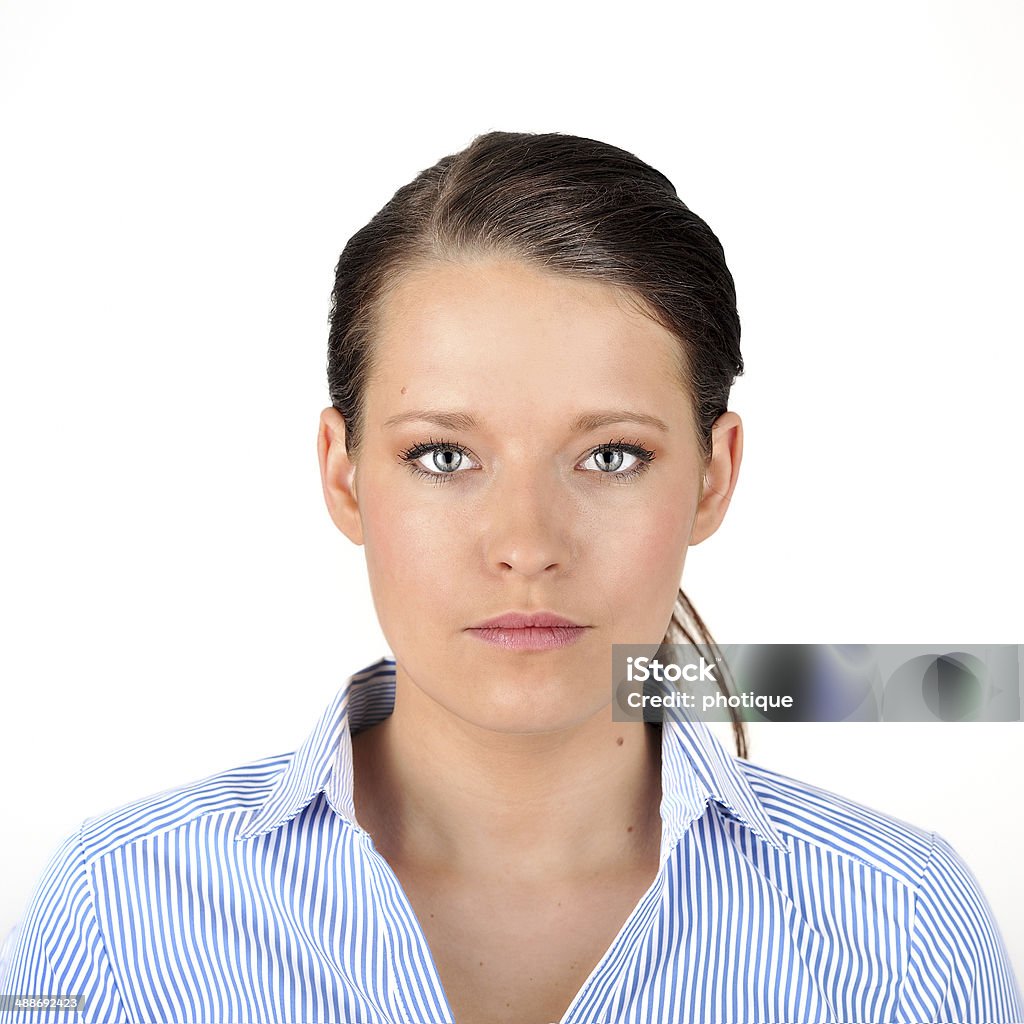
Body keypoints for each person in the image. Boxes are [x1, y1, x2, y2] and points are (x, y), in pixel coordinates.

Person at [0, 131, 1020, 1024]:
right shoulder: (116, 914)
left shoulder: (903, 934)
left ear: (714, 476)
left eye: (610, 454)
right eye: (444, 455)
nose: (526, 543)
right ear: (341, 473)